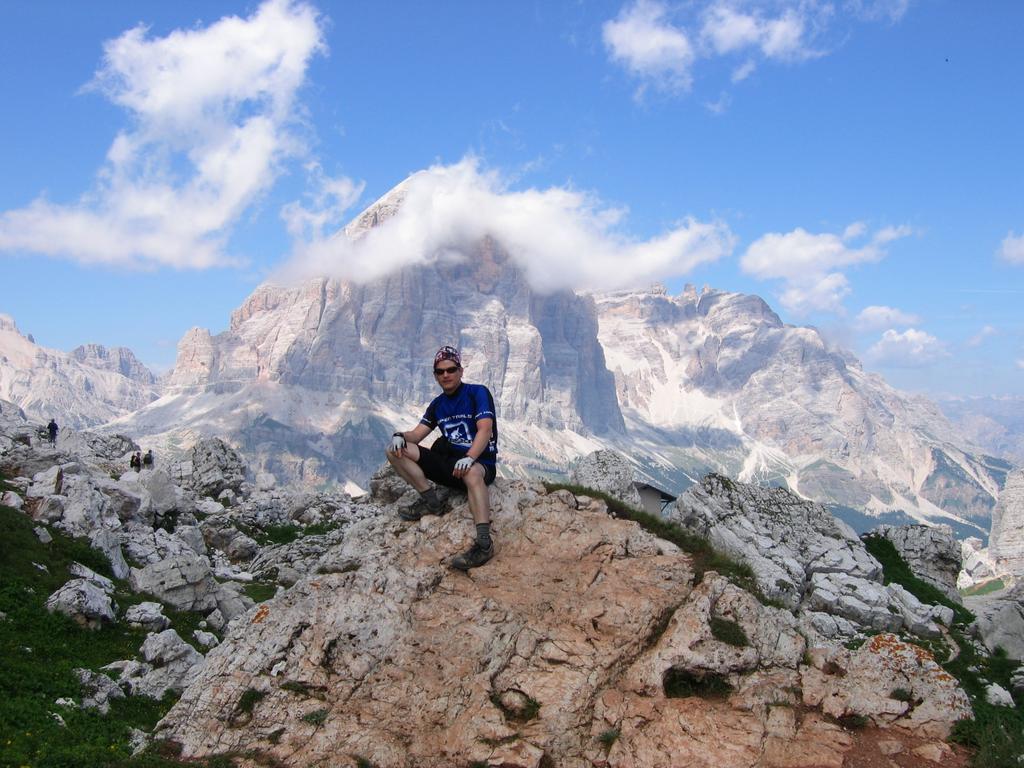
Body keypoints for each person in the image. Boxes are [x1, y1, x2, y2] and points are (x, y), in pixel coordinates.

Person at [385, 345, 498, 570]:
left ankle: (484, 544)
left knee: (473, 472)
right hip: (449, 464)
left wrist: (469, 457)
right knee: (394, 450)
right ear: (435, 375)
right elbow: (417, 435)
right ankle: (432, 502)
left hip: (479, 463)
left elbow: (485, 429)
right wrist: (400, 436)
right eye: (440, 371)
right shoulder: (437, 405)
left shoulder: (478, 393)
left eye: (451, 369)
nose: (446, 375)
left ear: (460, 371)